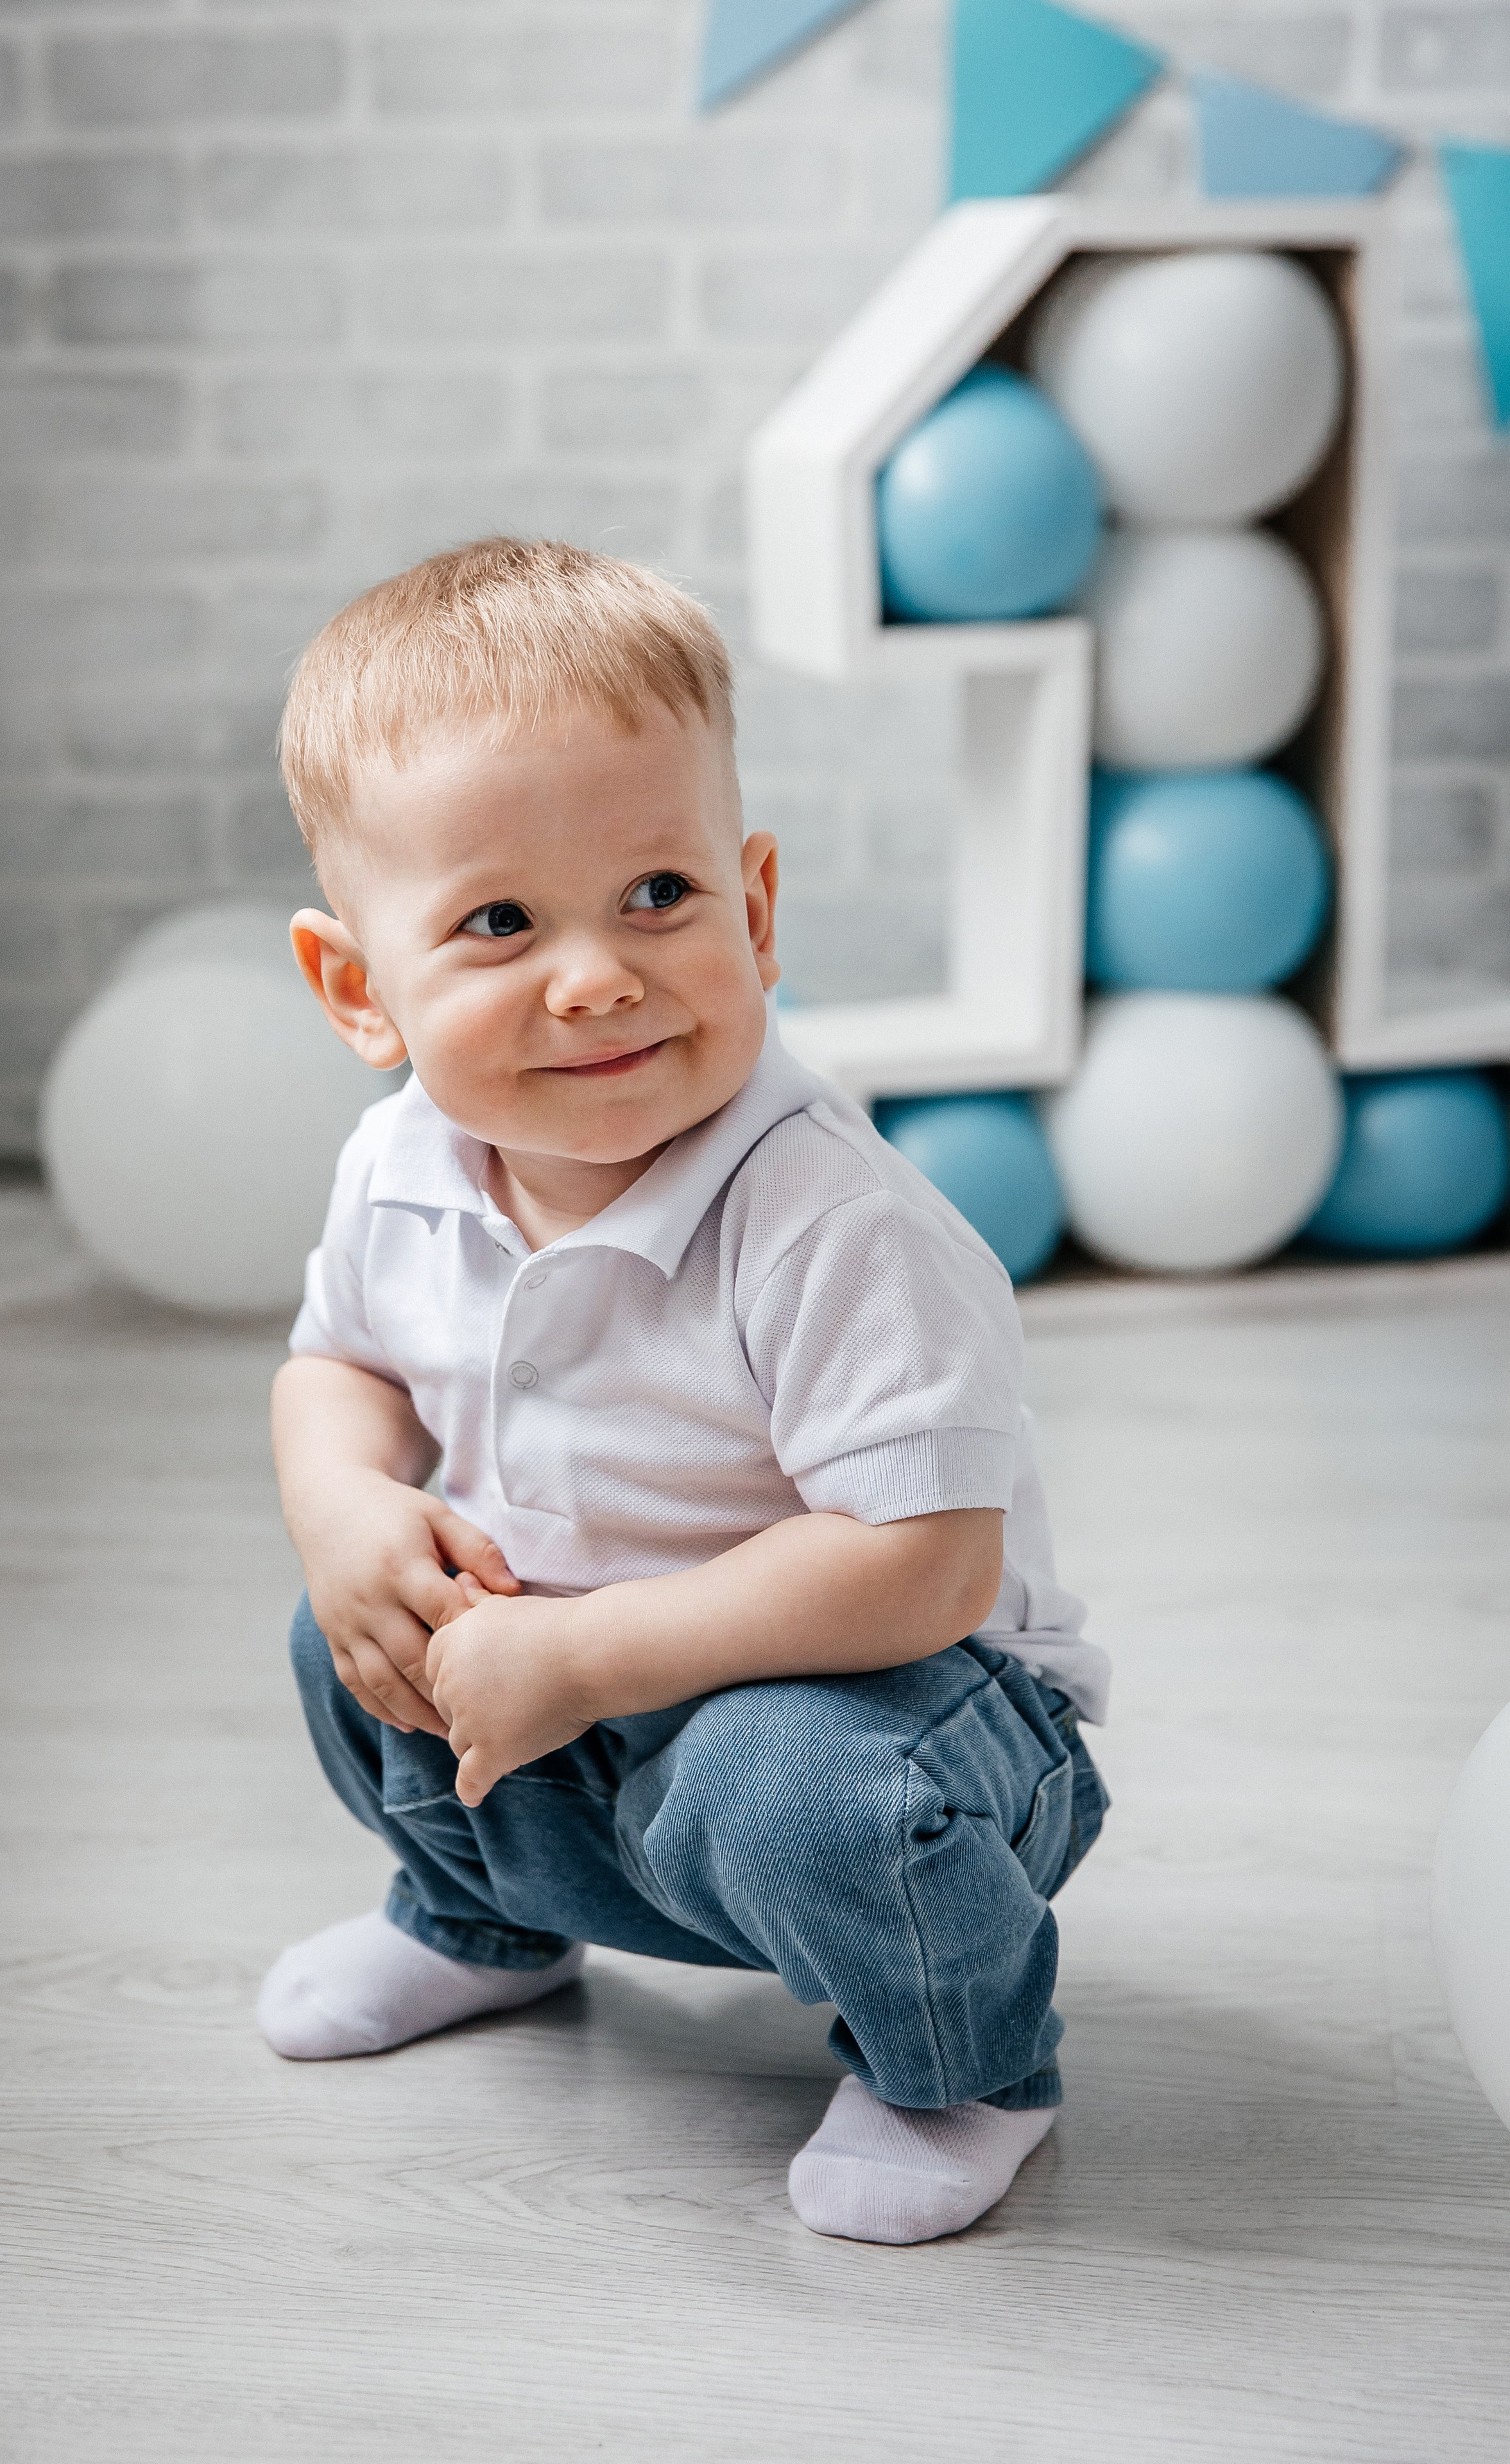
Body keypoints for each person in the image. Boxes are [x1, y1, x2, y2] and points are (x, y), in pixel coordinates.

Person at [259, 537, 1110, 2245]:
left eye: (661, 894)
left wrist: (583, 1654)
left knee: (783, 1786)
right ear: (361, 990)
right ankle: (479, 1922)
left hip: (901, 1716)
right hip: (578, 1687)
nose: (598, 974)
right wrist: (347, 1509)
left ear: (759, 906)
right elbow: (335, 1363)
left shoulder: (829, 1221)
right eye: (500, 922)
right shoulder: (404, 1165)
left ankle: (961, 2064)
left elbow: (922, 1564)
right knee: (346, 1627)